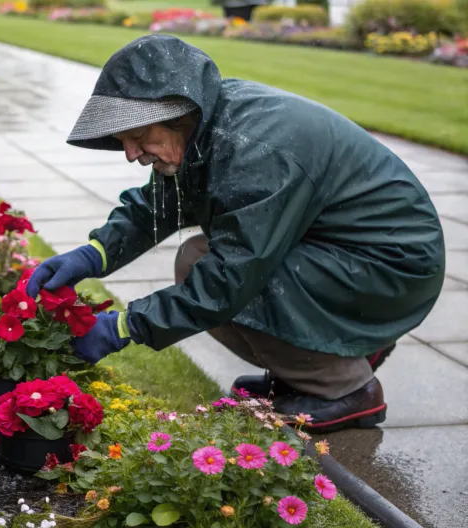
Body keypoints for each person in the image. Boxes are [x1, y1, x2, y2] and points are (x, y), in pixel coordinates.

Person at [26, 34, 445, 433]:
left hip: (390, 268)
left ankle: (347, 387)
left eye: (137, 137)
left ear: (178, 112)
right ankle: (322, 362)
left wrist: (124, 327)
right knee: (197, 257)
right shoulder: (205, 126)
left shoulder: (255, 151)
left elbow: (230, 277)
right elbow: (158, 205)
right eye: (124, 140)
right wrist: (92, 254)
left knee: (205, 270)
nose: (131, 153)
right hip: (348, 255)